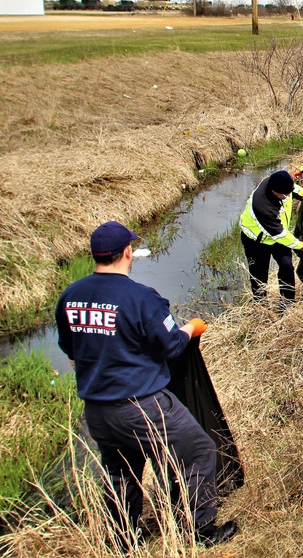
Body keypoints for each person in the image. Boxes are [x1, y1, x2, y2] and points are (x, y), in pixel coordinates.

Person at [56, 221, 238, 549]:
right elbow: (170, 346)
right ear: (128, 252)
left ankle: (123, 539)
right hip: (142, 406)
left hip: (97, 410)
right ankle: (200, 530)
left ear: (95, 255)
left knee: (122, 472)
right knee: (198, 450)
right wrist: (190, 328)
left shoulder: (71, 297)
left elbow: (71, 352)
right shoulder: (142, 298)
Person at [239, 170, 303, 309]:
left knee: (287, 266)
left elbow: (292, 187)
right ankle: (261, 307)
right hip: (256, 241)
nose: (288, 197)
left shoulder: (278, 183)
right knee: (259, 275)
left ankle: (287, 305)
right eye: (285, 195)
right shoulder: (262, 205)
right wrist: (299, 245)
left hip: (277, 235)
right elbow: (279, 234)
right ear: (274, 191)